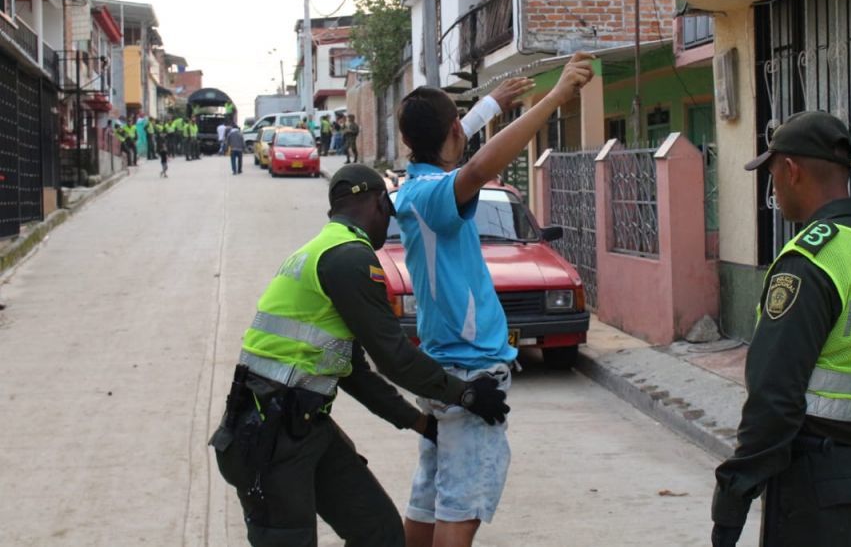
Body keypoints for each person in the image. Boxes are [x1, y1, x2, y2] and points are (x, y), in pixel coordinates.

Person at [209, 164, 510, 546]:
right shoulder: (350, 258)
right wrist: (464, 393)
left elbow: (352, 371)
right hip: (268, 436)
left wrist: (421, 423)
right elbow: (394, 356)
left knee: (380, 533)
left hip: (302, 424)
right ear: (381, 203)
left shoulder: (322, 249)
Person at [710, 111, 851, 547]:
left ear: (790, 171)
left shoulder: (809, 262)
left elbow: (774, 398)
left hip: (822, 485)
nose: (773, 190)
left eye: (772, 175)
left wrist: (733, 497)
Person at [395, 60, 580, 547]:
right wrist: (555, 97)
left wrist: (490, 107)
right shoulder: (439, 194)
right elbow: (477, 167)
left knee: (431, 494)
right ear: (453, 131)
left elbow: (451, 147)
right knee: (462, 503)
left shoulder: (411, 188)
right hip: (470, 369)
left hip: (441, 365)